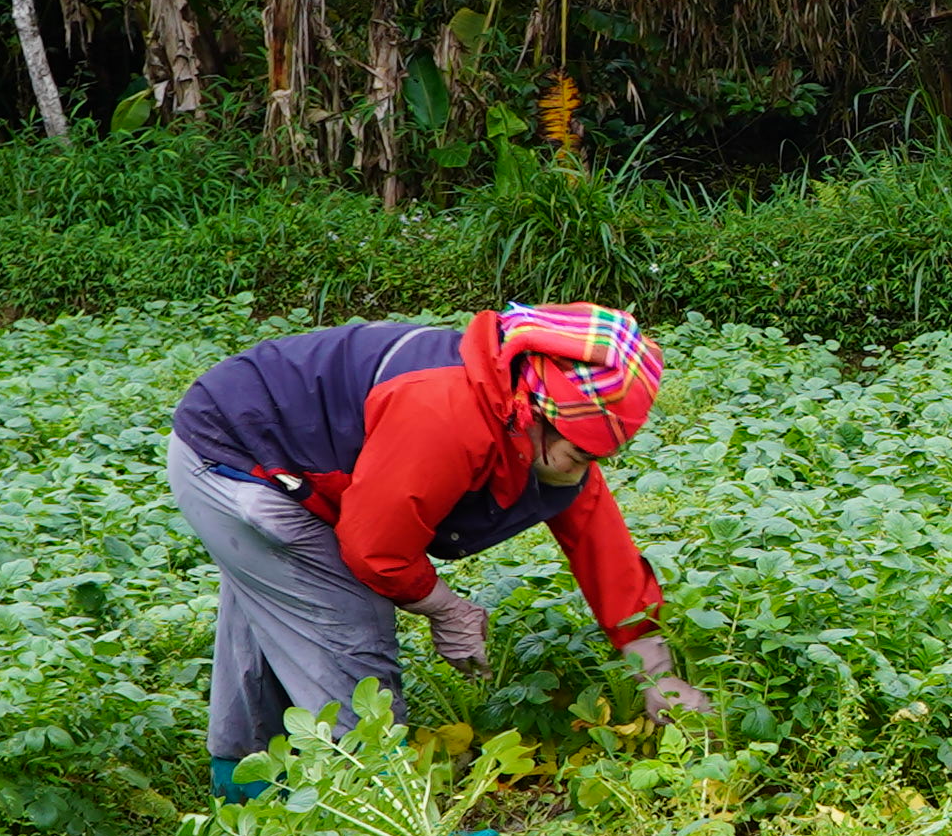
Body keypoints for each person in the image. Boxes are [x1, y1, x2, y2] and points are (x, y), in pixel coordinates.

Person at [166, 301, 707, 800]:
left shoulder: (526, 411)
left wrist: (658, 675)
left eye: (602, 455)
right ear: (533, 413)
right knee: (351, 632)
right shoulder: (446, 409)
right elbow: (376, 548)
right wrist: (448, 610)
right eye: (581, 451)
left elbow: (602, 548)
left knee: (276, 618)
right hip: (238, 460)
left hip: (272, 454)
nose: (587, 467)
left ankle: (246, 797)